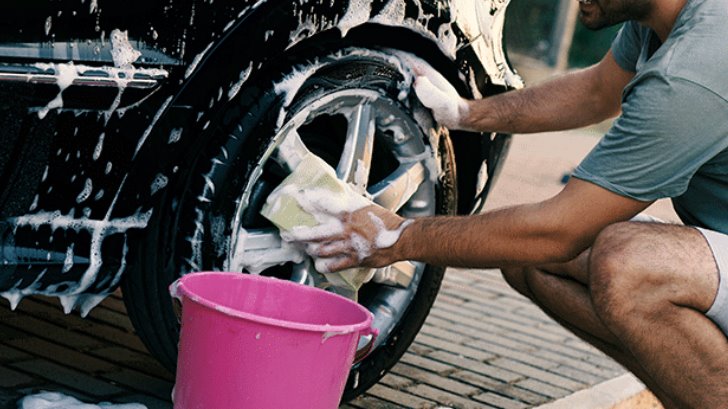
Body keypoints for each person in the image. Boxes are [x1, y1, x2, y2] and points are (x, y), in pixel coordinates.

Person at [286, 0, 728, 407]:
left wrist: (396, 237)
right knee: (526, 259)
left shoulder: (698, 65)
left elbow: (558, 230)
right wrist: (467, 114)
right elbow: (596, 91)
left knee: (628, 264)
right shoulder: (658, 21)